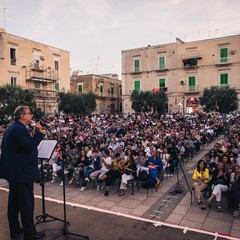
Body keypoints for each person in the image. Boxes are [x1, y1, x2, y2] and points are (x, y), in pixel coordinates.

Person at [0, 106, 46, 240]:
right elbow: (29, 146)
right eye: (29, 113)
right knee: (26, 205)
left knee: (14, 204)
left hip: (14, 173)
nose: (31, 115)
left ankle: (15, 230)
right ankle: (29, 234)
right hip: (22, 174)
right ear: (22, 116)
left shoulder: (10, 128)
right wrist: (39, 132)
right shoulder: (20, 130)